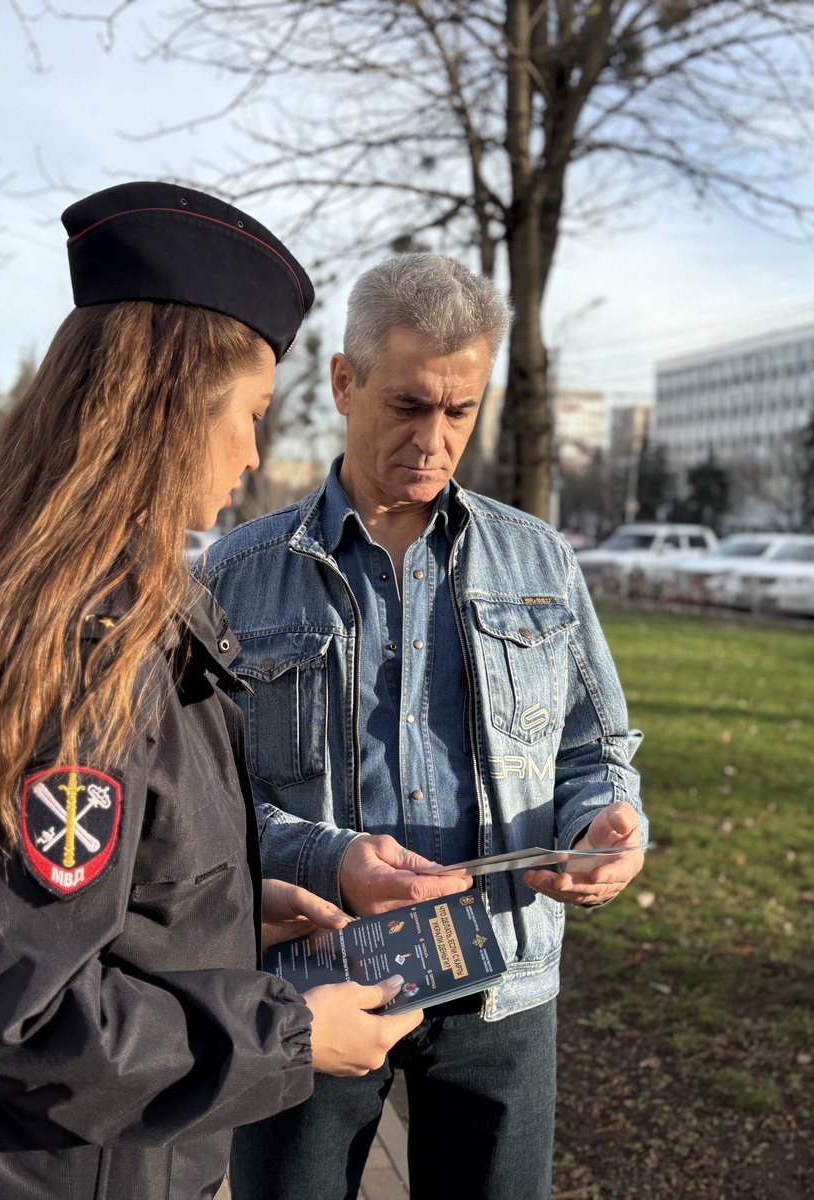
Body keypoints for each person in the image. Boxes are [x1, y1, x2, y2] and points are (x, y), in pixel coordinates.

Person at [0, 182, 421, 1200]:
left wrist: (236, 918)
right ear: (168, 406)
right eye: (250, 414)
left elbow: (87, 904)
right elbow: (25, 1012)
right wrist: (288, 1036)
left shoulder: (70, 599)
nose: (253, 453)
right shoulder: (84, 649)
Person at [201, 252, 648, 1200]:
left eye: (461, 411)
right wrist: (328, 859)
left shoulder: (540, 561)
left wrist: (602, 824)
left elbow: (592, 744)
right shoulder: (236, 577)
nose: (435, 441)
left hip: (503, 988)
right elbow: (201, 804)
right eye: (408, 406)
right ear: (343, 384)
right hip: (314, 980)